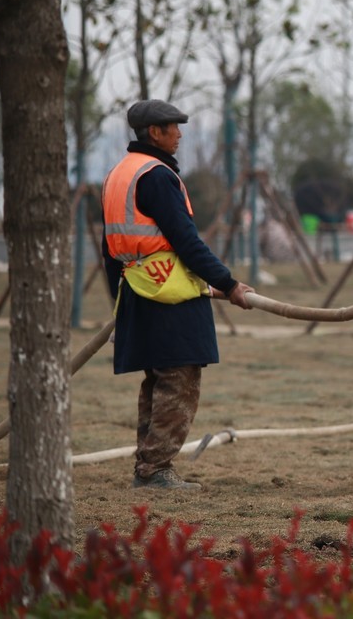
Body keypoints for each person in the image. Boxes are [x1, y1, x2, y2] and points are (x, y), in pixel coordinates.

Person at [101, 99, 254, 490]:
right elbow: (185, 240)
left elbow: (109, 248)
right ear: (155, 132)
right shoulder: (156, 175)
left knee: (157, 379)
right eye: (174, 127)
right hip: (169, 293)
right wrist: (229, 283)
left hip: (137, 288)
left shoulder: (120, 174)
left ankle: (148, 466)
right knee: (179, 378)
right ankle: (155, 470)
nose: (180, 134)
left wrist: (118, 302)